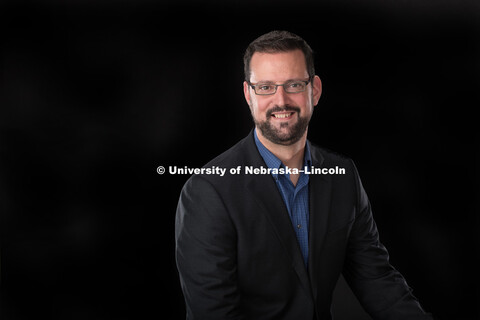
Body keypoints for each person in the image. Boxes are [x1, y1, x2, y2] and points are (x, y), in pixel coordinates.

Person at [175, 30, 433, 320]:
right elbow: (213, 312)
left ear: (315, 90)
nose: (281, 100)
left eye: (294, 84)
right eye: (266, 87)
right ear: (248, 94)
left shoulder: (342, 177)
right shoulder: (208, 191)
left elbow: (376, 279)